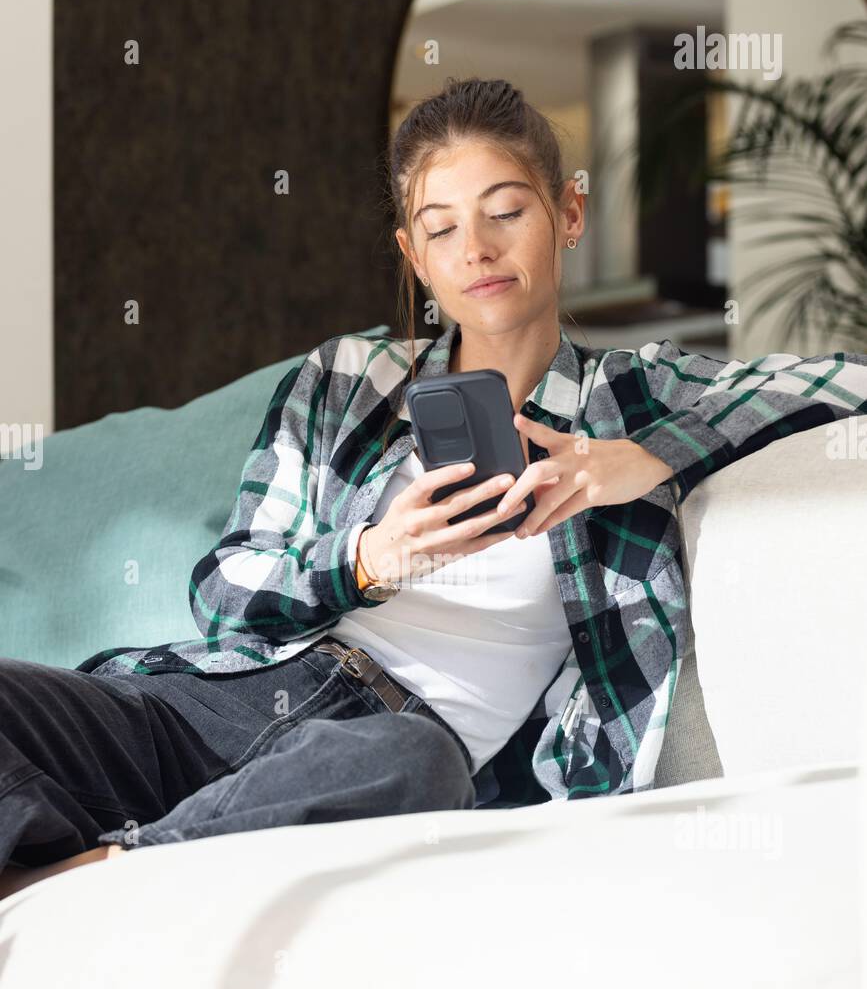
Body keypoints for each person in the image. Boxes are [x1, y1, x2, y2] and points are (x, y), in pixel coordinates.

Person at [2, 75, 866, 899]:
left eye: (504, 212)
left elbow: (845, 381)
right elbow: (223, 597)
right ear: (412, 256)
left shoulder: (632, 397)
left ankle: (94, 874)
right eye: (441, 228)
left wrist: (639, 460)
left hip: (379, 750)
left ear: (567, 213)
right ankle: (107, 862)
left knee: (410, 759)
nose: (477, 250)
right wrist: (373, 558)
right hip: (205, 707)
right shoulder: (349, 377)